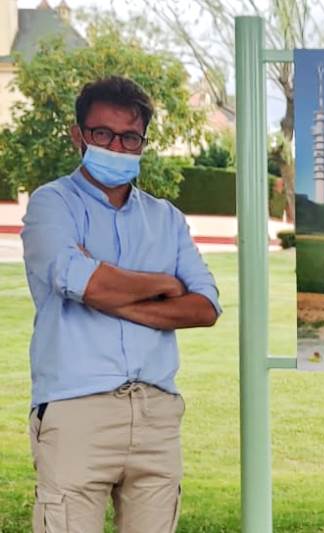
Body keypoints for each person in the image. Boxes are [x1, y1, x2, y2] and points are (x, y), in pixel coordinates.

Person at [21, 76, 221, 532]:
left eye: (129, 137)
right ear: (79, 135)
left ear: (143, 142)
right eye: (102, 134)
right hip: (77, 412)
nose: (116, 145)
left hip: (156, 414)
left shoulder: (165, 217)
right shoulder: (51, 205)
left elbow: (204, 307)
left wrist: (110, 289)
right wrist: (164, 284)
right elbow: (80, 282)